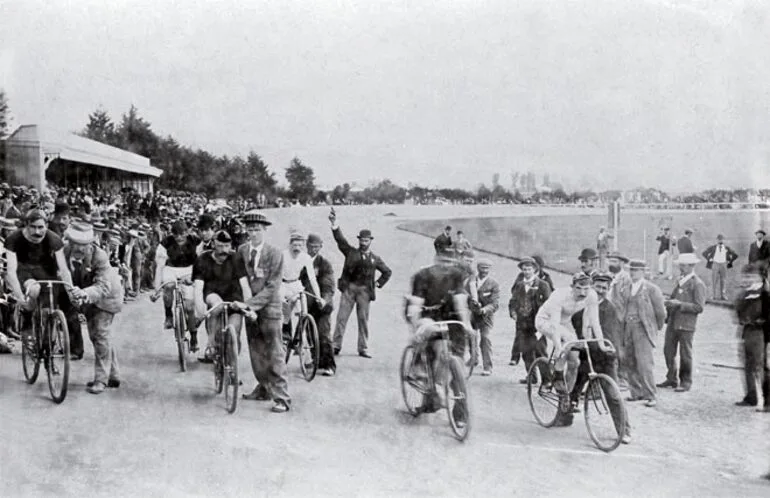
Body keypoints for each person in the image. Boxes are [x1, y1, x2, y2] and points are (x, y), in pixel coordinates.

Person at [404, 252, 473, 420]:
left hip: (451, 320)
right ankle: (425, 382)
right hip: (429, 316)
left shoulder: (457, 275)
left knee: (457, 366)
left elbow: (460, 302)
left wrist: (467, 325)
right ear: (435, 259)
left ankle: (460, 414)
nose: (446, 265)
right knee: (430, 353)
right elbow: (415, 305)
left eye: (450, 261)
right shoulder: (422, 276)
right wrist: (416, 329)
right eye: (443, 261)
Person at [4, 209, 77, 358]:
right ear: (26, 225)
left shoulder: (54, 238)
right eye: (33, 227)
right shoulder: (13, 239)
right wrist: (19, 297)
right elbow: (11, 272)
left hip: (46, 271)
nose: (37, 232)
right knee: (34, 290)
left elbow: (63, 269)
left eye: (41, 227)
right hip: (24, 270)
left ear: (46, 226)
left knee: (50, 301)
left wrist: (71, 292)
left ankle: (48, 337)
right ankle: (27, 319)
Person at [237, 211, 291, 413]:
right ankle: (264, 389)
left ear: (264, 231)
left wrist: (250, 304)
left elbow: (272, 286)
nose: (253, 233)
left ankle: (282, 398)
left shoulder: (275, 254)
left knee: (274, 353)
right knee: (256, 352)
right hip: (249, 310)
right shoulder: (241, 251)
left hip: (269, 309)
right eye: (250, 229)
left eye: (257, 229)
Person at [62, 222, 123, 394]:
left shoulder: (100, 256)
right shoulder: (64, 252)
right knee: (97, 336)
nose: (80, 248)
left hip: (106, 297)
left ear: (90, 243)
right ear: (69, 241)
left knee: (100, 335)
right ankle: (114, 375)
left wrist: (84, 293)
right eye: (76, 243)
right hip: (86, 297)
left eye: (84, 244)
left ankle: (101, 380)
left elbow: (103, 287)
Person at [570, 271, 631, 443]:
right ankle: (563, 416)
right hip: (587, 355)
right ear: (591, 287)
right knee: (575, 387)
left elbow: (609, 337)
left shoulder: (609, 309)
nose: (601, 290)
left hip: (604, 358)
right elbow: (573, 320)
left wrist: (601, 348)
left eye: (605, 288)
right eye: (598, 286)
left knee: (612, 394)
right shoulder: (582, 305)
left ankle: (624, 430)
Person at [329, 208, 392, 358]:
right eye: (361, 240)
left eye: (366, 240)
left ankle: (363, 348)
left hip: (365, 291)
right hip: (349, 289)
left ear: (370, 241)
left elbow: (387, 272)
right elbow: (340, 240)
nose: (363, 243)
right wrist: (334, 224)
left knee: (363, 320)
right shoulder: (351, 252)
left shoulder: (375, 258)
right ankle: (336, 346)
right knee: (341, 318)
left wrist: (377, 284)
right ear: (358, 240)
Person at [535, 272, 606, 397]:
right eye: (578, 288)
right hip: (546, 320)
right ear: (572, 287)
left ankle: (566, 397)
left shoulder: (592, 296)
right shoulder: (559, 296)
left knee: (575, 362)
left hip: (566, 323)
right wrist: (558, 346)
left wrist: (602, 344)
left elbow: (595, 322)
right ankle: (557, 374)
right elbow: (555, 325)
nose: (582, 293)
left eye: (586, 289)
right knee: (567, 340)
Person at [192, 230, 252, 364]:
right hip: (212, 294)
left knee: (234, 333)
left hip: (234, 298)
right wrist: (200, 310)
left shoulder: (236, 258)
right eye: (220, 246)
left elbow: (245, 285)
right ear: (213, 244)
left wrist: (249, 306)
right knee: (216, 304)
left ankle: (232, 370)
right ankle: (211, 342)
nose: (224, 250)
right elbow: (198, 287)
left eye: (227, 246)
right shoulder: (202, 259)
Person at [659, 253, 706, 393]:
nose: (681, 267)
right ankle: (671, 378)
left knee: (685, 354)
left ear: (692, 266)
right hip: (673, 322)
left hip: (686, 324)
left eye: (684, 265)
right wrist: (668, 302)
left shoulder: (697, 284)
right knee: (668, 351)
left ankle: (686, 382)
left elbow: (699, 307)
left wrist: (679, 304)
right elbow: (674, 297)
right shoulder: (680, 280)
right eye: (680, 265)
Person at [623, 260, 666, 407]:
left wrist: (654, 328)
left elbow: (661, 312)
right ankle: (636, 392)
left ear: (643, 272)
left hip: (642, 328)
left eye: (636, 270)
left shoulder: (651, 289)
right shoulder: (627, 287)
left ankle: (650, 395)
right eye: (631, 270)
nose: (632, 272)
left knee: (644, 362)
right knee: (629, 360)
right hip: (628, 327)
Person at [153, 220, 200, 351]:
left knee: (190, 308)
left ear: (188, 232)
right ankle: (168, 315)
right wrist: (157, 288)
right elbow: (160, 267)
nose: (179, 237)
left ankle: (194, 337)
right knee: (168, 286)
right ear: (171, 234)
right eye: (176, 234)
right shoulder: (165, 243)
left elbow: (201, 262)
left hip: (189, 269)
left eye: (182, 234)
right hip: (171, 269)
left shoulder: (196, 241)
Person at [508, 257, 551, 381]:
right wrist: (513, 312)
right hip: (522, 324)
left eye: (529, 269)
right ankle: (531, 377)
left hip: (538, 325)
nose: (526, 272)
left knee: (540, 351)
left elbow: (548, 305)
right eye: (524, 269)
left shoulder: (543, 285)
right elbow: (513, 301)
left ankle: (547, 380)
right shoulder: (520, 285)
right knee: (526, 352)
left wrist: (544, 322)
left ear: (535, 270)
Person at [300, 233, 337, 376]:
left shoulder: (324, 264)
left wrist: (324, 299)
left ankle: (329, 365)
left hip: (322, 305)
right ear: (306, 246)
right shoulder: (301, 261)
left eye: (317, 247)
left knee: (324, 335)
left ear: (321, 247)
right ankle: (317, 360)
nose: (313, 249)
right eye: (311, 246)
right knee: (310, 334)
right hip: (306, 304)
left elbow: (329, 286)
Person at [733, 264, 769, 410]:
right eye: (745, 276)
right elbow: (738, 310)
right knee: (747, 365)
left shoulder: (765, 293)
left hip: (761, 332)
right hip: (747, 332)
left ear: (760, 277)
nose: (747, 279)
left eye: (751, 276)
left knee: (759, 366)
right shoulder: (746, 293)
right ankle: (751, 396)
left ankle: (767, 401)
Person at [279, 231, 324, 345]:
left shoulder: (305, 257)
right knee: (285, 305)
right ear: (290, 245)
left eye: (299, 245)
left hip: (296, 283)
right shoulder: (283, 255)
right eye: (294, 245)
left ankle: (298, 334)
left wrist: (318, 297)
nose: (297, 248)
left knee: (304, 308)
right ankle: (285, 329)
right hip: (283, 284)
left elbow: (312, 279)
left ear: (303, 246)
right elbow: (276, 274)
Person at [470, 258, 499, 376]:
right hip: (472, 314)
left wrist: (484, 309)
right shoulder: (471, 281)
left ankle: (487, 366)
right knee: (470, 337)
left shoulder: (493, 284)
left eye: (487, 268)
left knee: (485, 338)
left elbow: (495, 304)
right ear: (478, 268)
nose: (484, 271)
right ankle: (473, 359)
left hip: (486, 316)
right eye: (482, 268)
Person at [701, 234, 738, 301]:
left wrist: (729, 261)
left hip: (723, 264)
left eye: (722, 239)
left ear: (724, 240)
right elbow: (704, 253)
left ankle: (723, 295)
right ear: (717, 240)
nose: (720, 240)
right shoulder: (713, 247)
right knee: (714, 280)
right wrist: (709, 259)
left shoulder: (727, 248)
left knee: (723, 280)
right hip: (715, 264)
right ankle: (713, 295)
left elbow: (735, 255)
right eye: (719, 239)